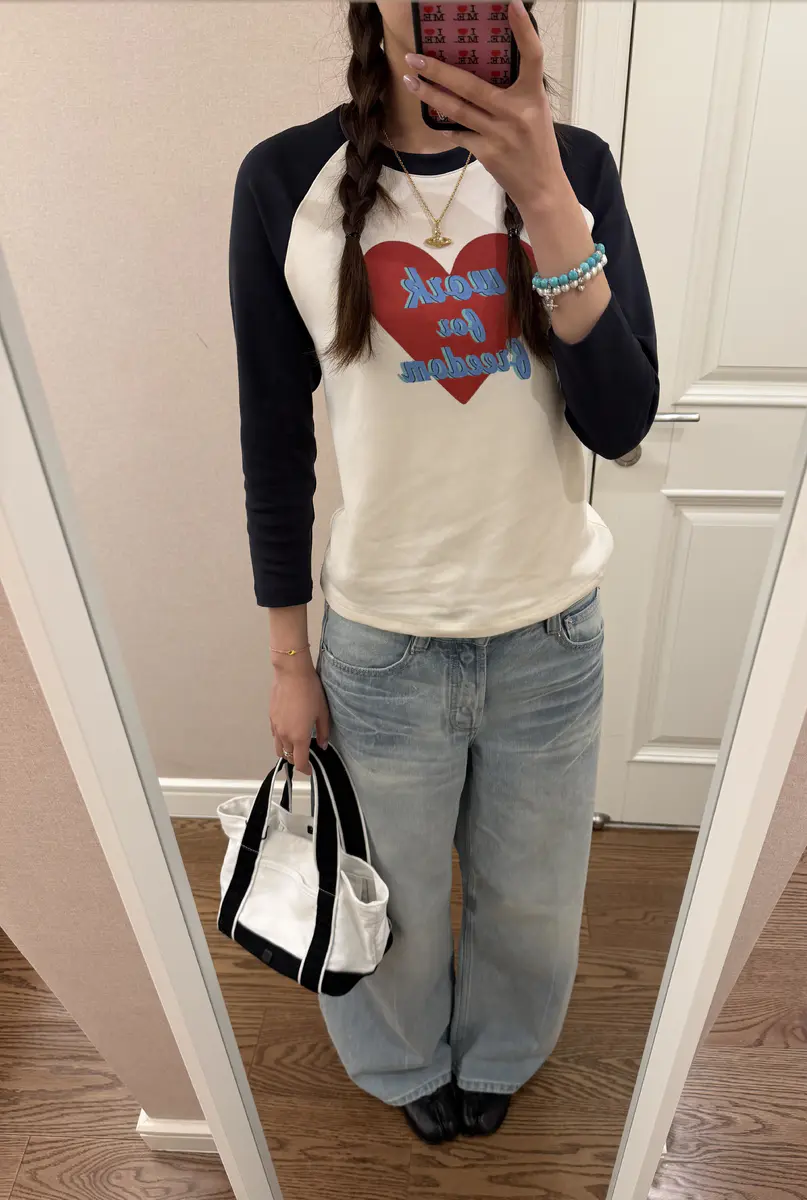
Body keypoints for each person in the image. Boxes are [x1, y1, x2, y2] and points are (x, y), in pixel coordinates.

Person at [228, 0, 658, 1145]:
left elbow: (622, 422)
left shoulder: (575, 168)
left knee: (533, 903)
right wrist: (288, 659)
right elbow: (273, 440)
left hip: (548, 633)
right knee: (395, 903)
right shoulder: (284, 183)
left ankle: (505, 1052)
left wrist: (546, 201)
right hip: (383, 645)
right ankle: (403, 1061)